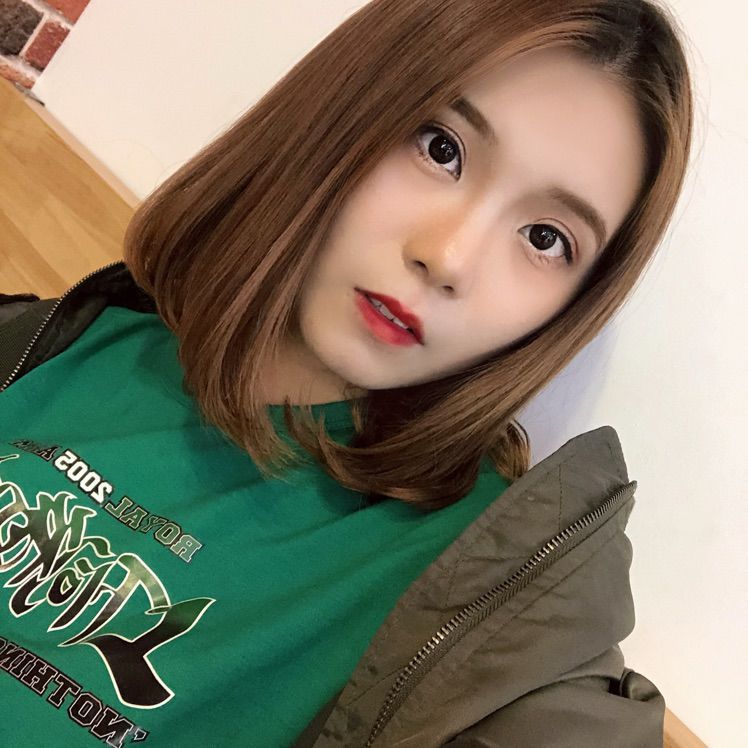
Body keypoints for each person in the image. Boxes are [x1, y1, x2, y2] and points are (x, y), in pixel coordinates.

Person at [0, 0, 693, 745]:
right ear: (344, 106)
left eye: (546, 238)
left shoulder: (489, 604)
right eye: (441, 148)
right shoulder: (63, 337)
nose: (449, 256)